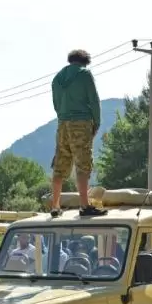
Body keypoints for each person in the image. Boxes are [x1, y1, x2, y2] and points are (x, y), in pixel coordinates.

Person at [49, 49, 106, 218]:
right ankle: (84, 205)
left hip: (62, 124)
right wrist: (96, 123)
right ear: (85, 61)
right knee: (83, 163)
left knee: (60, 163)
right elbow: (94, 100)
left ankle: (55, 205)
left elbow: (56, 104)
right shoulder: (85, 75)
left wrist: (63, 118)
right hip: (81, 123)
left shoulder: (57, 78)